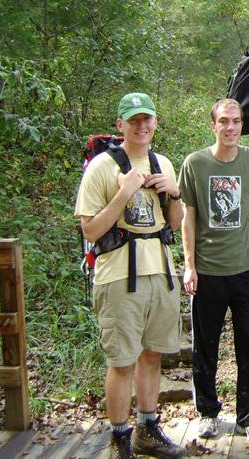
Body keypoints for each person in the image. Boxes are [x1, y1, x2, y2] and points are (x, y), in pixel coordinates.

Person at [75, 92, 185, 459]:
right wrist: (123, 193)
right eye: (133, 119)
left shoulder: (163, 163)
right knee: (122, 360)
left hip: (161, 272)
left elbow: (175, 223)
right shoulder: (102, 168)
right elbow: (90, 231)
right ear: (120, 125)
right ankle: (119, 437)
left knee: (152, 355)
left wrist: (176, 194)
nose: (141, 125)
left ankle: (147, 428)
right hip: (119, 276)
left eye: (147, 119)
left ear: (155, 123)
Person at [179, 98, 249, 444]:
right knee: (206, 346)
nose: (231, 127)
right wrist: (189, 265)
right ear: (213, 125)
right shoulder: (195, 164)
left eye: (236, 121)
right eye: (224, 121)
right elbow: (189, 218)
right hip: (209, 271)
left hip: (245, 268)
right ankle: (207, 413)